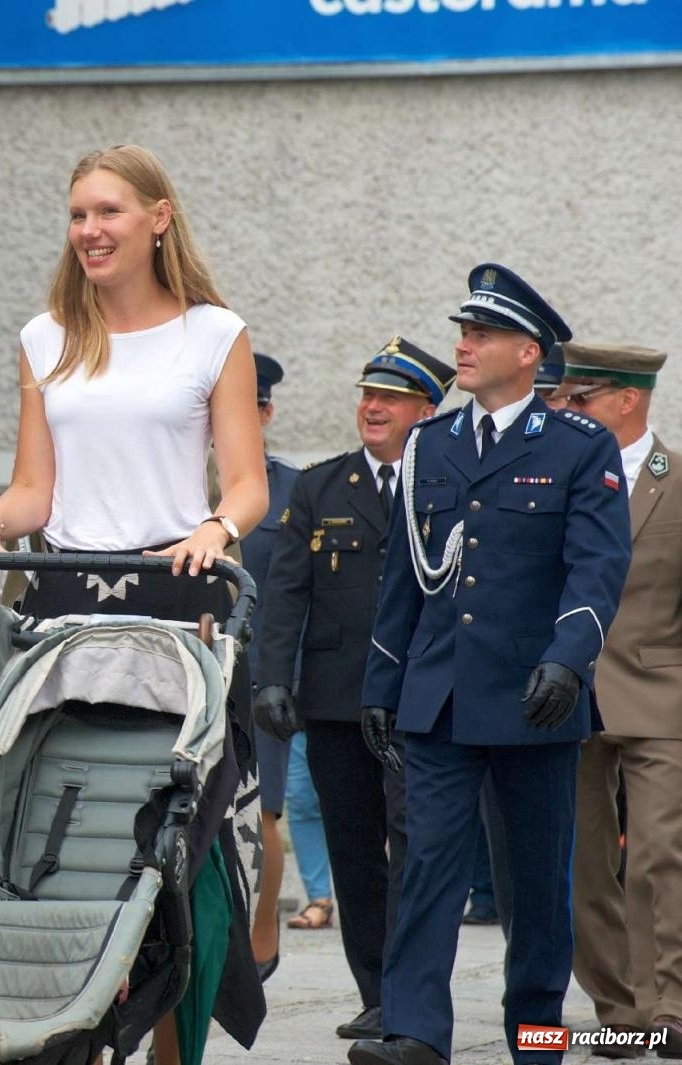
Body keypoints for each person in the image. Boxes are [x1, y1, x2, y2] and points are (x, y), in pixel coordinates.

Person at [0, 144, 268, 1065]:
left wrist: (215, 529)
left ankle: (175, 1050)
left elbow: (248, 483)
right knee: (58, 828)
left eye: (109, 212)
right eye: (78, 214)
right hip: (66, 614)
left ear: (158, 219)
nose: (89, 230)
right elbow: (35, 490)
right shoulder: (47, 337)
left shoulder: (214, 334)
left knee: (177, 853)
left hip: (179, 606)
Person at [352, 264, 633, 1065]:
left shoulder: (580, 448)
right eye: (463, 332)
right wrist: (382, 683)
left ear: (528, 351)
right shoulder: (430, 444)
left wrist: (568, 662)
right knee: (428, 866)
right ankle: (413, 1032)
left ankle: (535, 1035)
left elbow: (596, 570)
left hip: (533, 697)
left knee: (536, 887)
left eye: (480, 335)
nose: (463, 347)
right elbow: (406, 576)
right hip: (439, 697)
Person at [253, 336, 454, 1045]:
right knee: (354, 851)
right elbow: (285, 593)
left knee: (415, 843)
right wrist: (274, 678)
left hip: (419, 701)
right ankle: (376, 992)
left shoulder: (450, 481)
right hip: (336, 702)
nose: (372, 407)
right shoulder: (321, 486)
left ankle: (408, 993)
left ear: (426, 409)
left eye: (390, 397)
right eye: (367, 395)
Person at [562, 342, 681, 1058]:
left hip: (660, 692)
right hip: (570, 693)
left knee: (660, 851)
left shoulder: (675, 480)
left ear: (628, 401)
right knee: (578, 861)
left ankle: (669, 1000)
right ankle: (621, 1006)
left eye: (581, 398)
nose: (564, 409)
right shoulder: (559, 479)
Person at [239, 351, 316, 982]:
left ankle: (261, 939)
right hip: (183, 668)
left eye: (246, 409)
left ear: (265, 412)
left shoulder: (295, 491)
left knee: (262, 811)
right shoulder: (173, 481)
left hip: (260, 679)